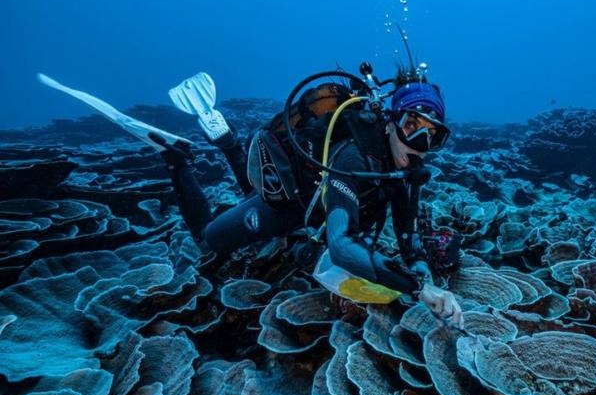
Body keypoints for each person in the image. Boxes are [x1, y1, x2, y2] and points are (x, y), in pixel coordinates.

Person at [40, 67, 464, 329]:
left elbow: (408, 243)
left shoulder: (407, 172)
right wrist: (414, 289)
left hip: (312, 203)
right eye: (414, 126)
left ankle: (226, 141)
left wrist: (427, 280)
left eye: (434, 136)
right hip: (293, 204)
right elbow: (340, 244)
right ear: (391, 121)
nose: (421, 144)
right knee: (210, 239)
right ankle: (175, 157)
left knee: (271, 217)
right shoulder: (352, 155)